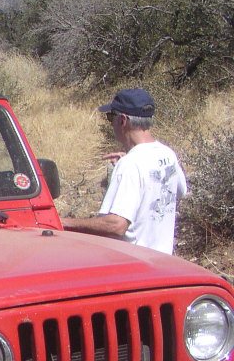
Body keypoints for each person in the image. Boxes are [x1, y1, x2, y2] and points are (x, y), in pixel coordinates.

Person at [61, 88, 187, 254]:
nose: (111, 123)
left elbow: (116, 225)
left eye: (110, 117)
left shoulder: (130, 164)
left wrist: (64, 223)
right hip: (162, 261)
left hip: (135, 263)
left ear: (122, 120)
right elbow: (180, 191)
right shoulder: (167, 153)